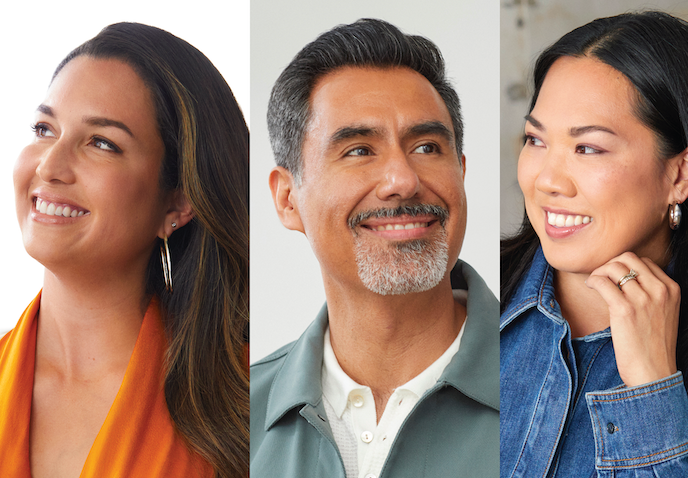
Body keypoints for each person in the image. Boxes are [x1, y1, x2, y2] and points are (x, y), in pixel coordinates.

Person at [500, 10, 688, 477]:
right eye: (535, 140)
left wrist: (652, 391)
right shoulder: (466, 302)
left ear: (681, 174)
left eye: (587, 148)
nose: (547, 180)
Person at [250, 18, 499, 478]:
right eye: (359, 150)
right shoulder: (236, 411)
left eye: (426, 147)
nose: (403, 181)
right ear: (287, 199)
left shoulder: (546, 378)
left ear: (461, 173)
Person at [0, 23, 249, 478]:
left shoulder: (251, 402)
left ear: (179, 201)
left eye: (102, 143)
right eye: (44, 128)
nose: (50, 166)